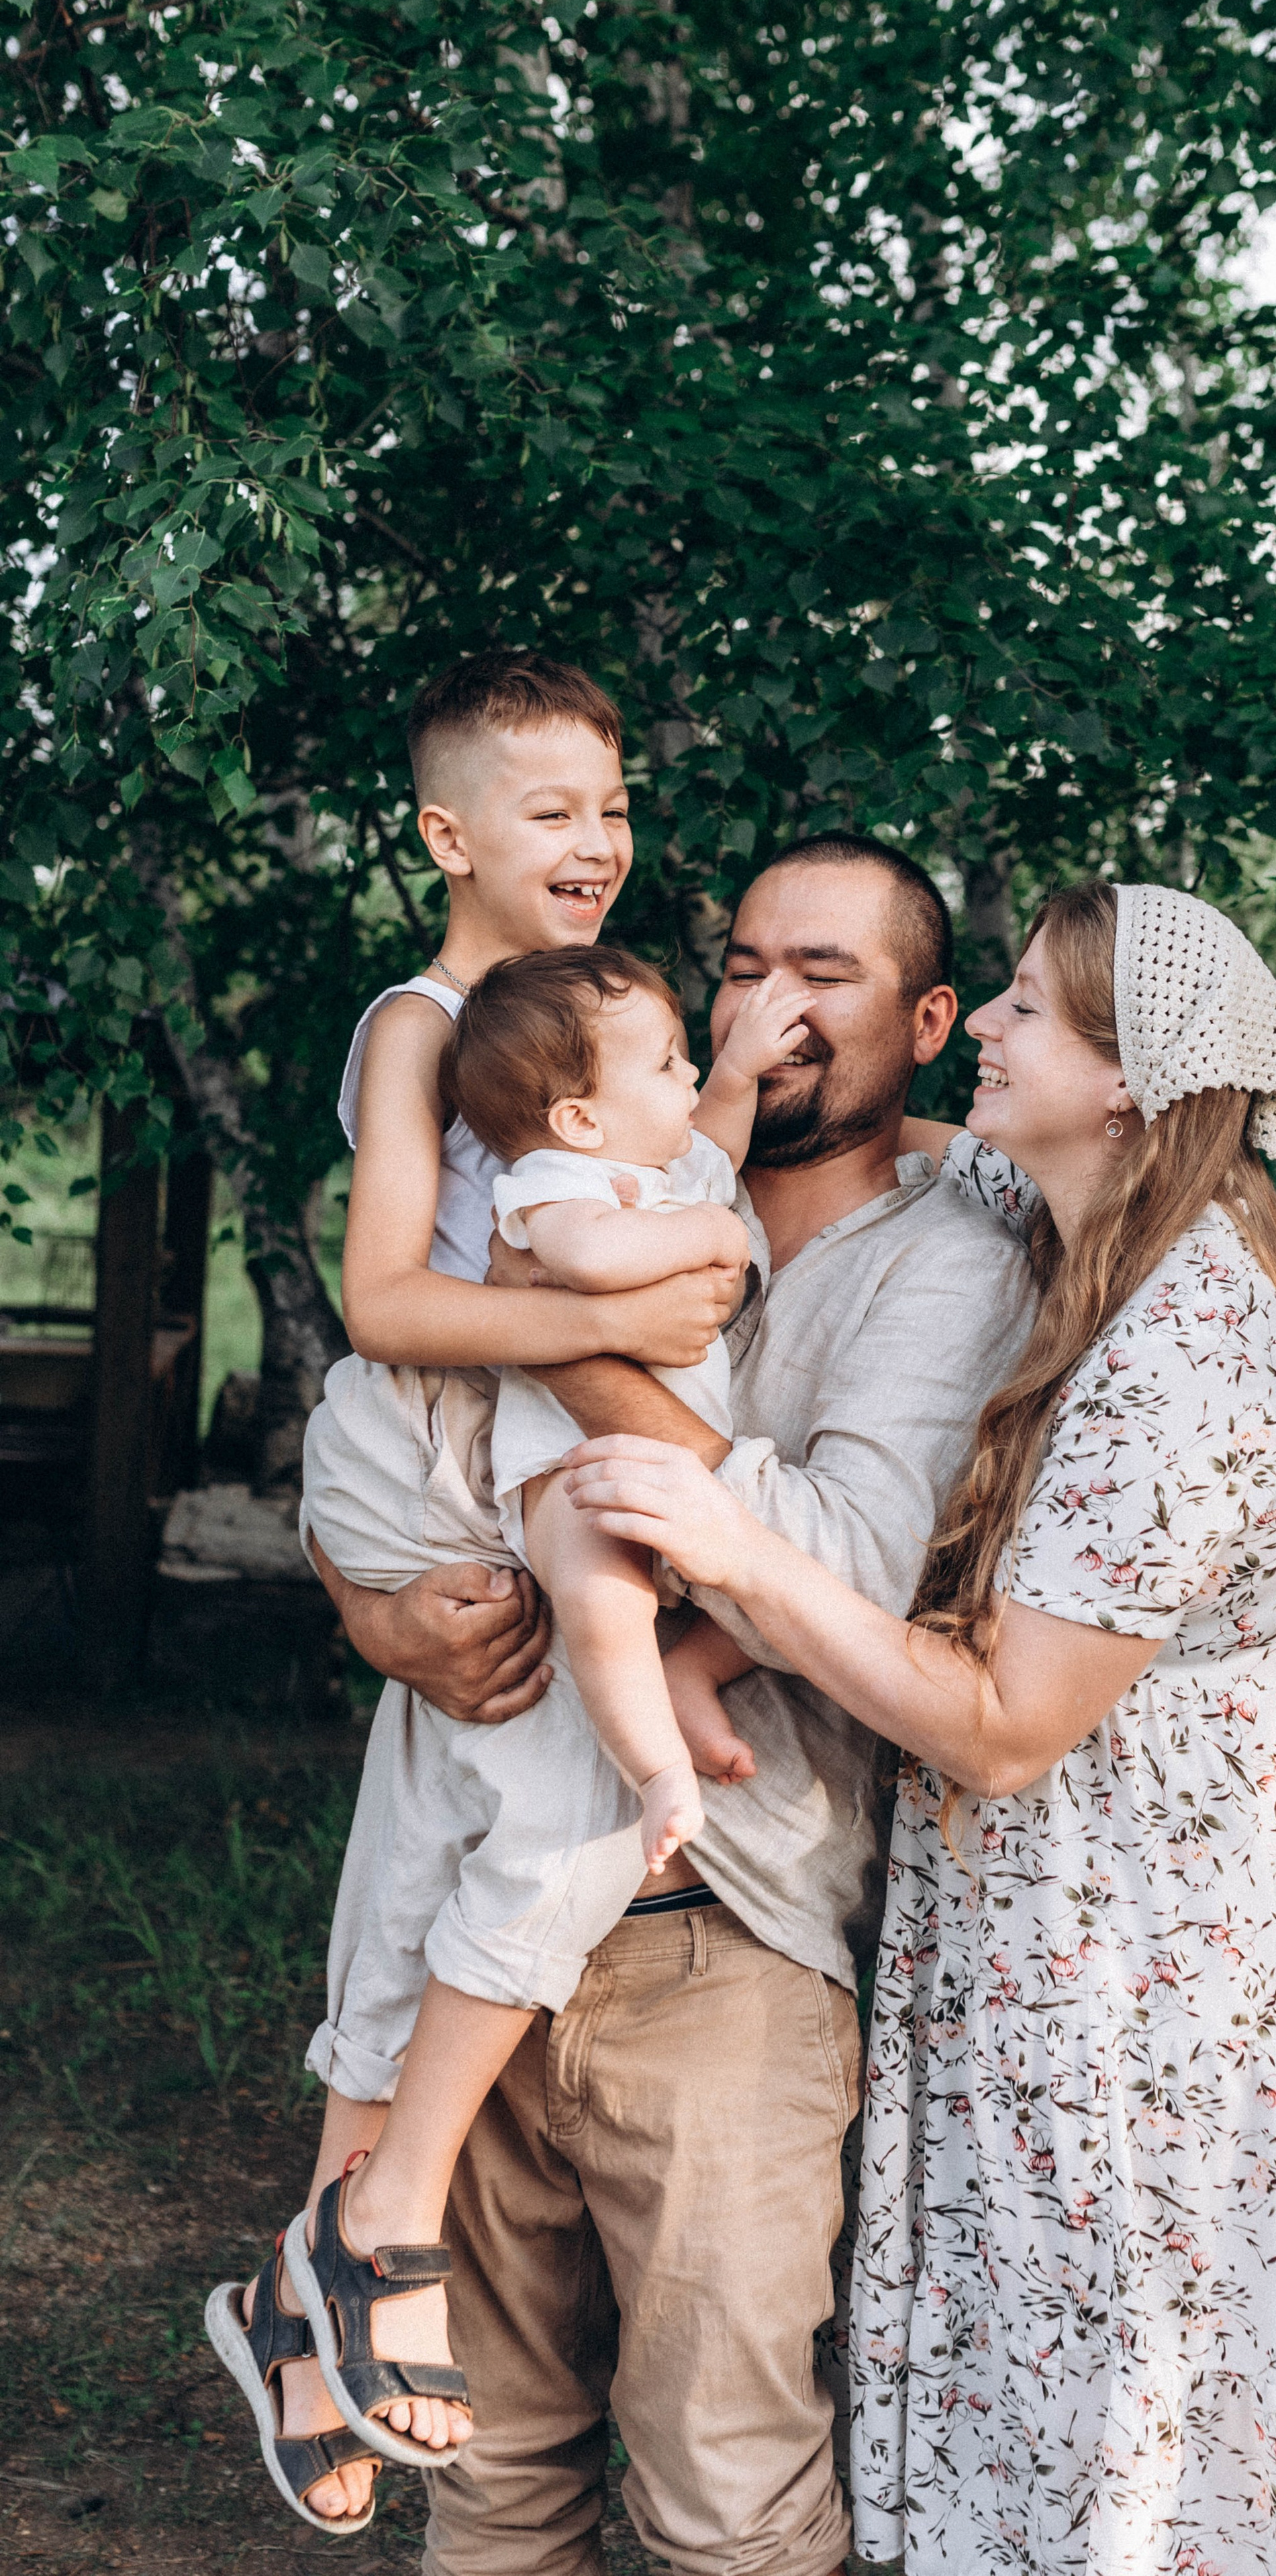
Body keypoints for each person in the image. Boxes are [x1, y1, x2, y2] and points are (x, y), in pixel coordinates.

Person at [565, 881, 1276, 2576]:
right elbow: (884, 1127)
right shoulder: (1061, 1202)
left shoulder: (1184, 1338)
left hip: (1130, 1967)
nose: (979, 1028)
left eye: (1020, 1012)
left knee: (1106, 2410)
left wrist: (735, 1558)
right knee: (1002, 2375)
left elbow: (1000, 1727)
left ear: (1131, 1078)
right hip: (1030, 1939)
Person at [299, 832, 1038, 2575]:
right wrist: (378, 1615)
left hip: (723, 1940)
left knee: (727, 2499)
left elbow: (850, 1561)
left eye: (824, 978)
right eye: (746, 966)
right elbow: (410, 1449)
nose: (768, 1007)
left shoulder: (940, 1254)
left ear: (929, 1020)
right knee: (487, 2484)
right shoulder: (573, 1177)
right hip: (474, 1906)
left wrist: (563, 1348)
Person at [205, 650, 750, 2536]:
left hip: (483, 1471)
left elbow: (669, 1170)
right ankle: (367, 2237)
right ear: (447, 833)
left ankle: (300, 2303)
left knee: (417, 1869)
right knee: (569, 1794)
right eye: (549, 811)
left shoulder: (579, 1022)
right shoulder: (425, 1024)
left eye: (610, 807)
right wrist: (622, 1326)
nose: (596, 840)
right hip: (441, 1451)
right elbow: (384, 1304)